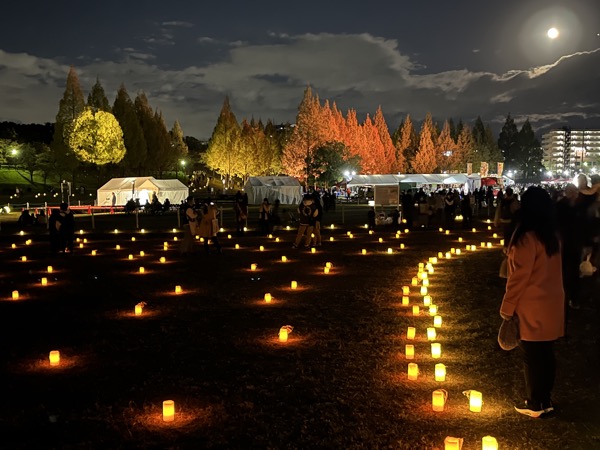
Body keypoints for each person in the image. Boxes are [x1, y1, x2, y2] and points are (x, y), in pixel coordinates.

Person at [499, 187, 564, 418]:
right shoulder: (552, 237)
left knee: (532, 355)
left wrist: (507, 308)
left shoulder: (527, 238)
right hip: (552, 303)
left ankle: (535, 402)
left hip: (532, 305)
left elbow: (518, 277)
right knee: (546, 354)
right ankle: (545, 400)